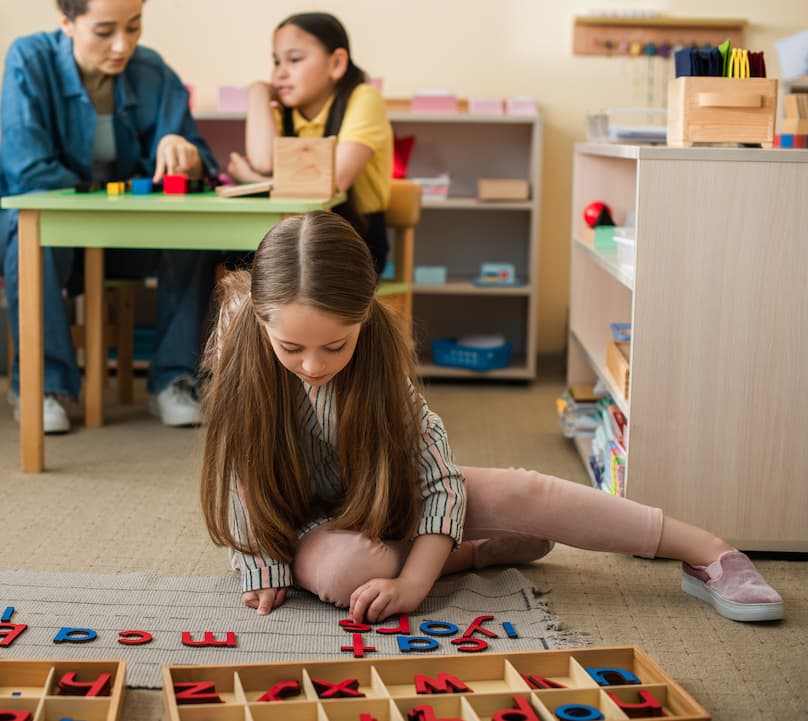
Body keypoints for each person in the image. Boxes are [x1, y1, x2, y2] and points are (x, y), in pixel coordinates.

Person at [199, 210, 784, 625]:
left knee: (525, 490)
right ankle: (471, 550)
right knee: (348, 570)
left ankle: (708, 549)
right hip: (313, 525)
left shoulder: (378, 356)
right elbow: (240, 475)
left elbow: (438, 480)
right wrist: (261, 565)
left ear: (364, 320)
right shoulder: (242, 349)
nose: (311, 366)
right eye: (291, 347)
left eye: (335, 346)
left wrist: (412, 585)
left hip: (387, 499)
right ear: (260, 320)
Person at [0, 0, 218, 433]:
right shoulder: (29, 60)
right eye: (104, 31)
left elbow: (201, 157)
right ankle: (44, 387)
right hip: (20, 230)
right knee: (38, 232)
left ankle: (174, 380)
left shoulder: (152, 71)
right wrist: (125, 192)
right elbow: (29, 171)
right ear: (67, 21)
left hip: (122, 235)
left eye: (134, 26)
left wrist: (186, 157)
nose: (122, 45)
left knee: (195, 231)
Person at [226, 12, 392, 273]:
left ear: (337, 63)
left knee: (278, 274)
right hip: (292, 233)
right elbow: (264, 161)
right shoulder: (284, 109)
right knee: (227, 256)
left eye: (294, 59)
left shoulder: (364, 99)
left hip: (355, 238)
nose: (280, 73)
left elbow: (335, 180)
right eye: (276, 61)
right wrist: (257, 92)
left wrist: (253, 181)